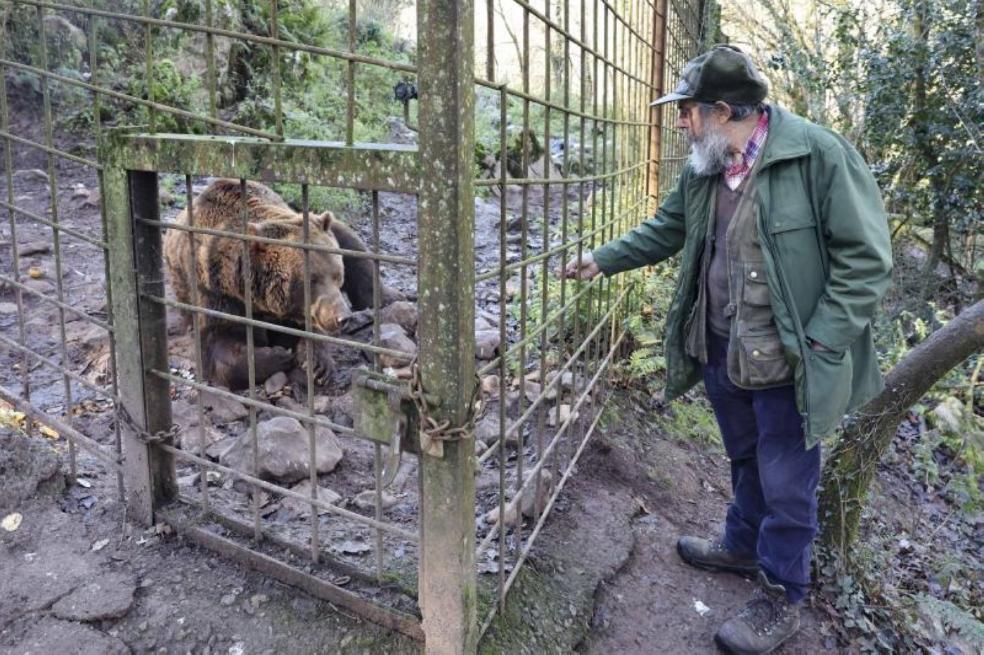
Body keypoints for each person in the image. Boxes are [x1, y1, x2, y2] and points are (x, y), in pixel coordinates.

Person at [562, 44, 892, 653]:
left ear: (721, 110)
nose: (679, 123)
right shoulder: (706, 165)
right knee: (744, 455)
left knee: (789, 479)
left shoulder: (818, 156)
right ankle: (742, 544)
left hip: (792, 360)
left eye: (686, 111)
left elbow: (867, 260)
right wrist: (601, 260)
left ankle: (782, 593)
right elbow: (667, 229)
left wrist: (821, 338)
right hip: (721, 345)